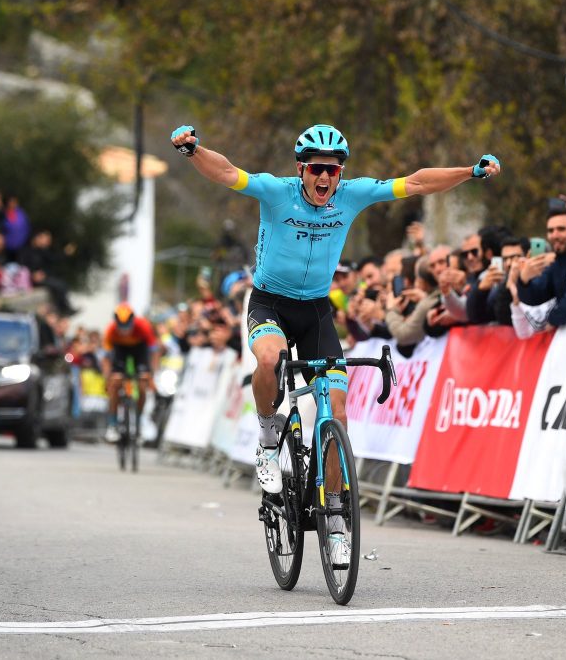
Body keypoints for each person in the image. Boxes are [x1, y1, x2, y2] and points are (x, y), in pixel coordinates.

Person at [170, 122, 501, 565]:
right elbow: (228, 173)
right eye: (316, 169)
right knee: (269, 358)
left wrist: (470, 172)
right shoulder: (275, 191)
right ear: (301, 169)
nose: (325, 178)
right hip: (270, 302)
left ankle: (337, 520)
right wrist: (193, 151)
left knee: (337, 413)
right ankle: (269, 437)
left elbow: (419, 182)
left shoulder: (353, 195)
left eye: (333, 170)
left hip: (316, 312)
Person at [101, 303, 157, 443]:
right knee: (115, 383)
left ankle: (138, 420)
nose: (125, 331)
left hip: (140, 350)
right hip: (120, 351)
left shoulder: (143, 326)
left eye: (127, 327)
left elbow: (154, 352)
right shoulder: (111, 330)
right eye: (121, 327)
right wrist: (108, 378)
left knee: (143, 385)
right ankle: (113, 424)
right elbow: (106, 358)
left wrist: (151, 374)